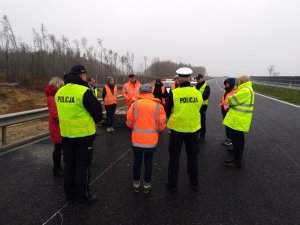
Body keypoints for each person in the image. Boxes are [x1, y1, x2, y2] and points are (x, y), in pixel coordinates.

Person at [55, 65, 103, 207]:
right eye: (84, 74)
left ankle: (70, 195)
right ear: (80, 75)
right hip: (83, 136)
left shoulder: (60, 92)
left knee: (69, 166)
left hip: (66, 135)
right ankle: (84, 197)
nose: (85, 77)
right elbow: (98, 114)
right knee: (83, 167)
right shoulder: (84, 91)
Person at [165, 67, 203, 192]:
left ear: (179, 80)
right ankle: (195, 183)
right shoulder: (197, 93)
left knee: (174, 158)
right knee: (193, 158)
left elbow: (167, 109)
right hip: (193, 130)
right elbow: (200, 108)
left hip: (177, 130)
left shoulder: (174, 93)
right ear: (190, 79)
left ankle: (172, 185)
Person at [126, 84, 167, 193]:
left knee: (137, 162)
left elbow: (129, 122)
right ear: (151, 92)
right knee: (148, 163)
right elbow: (162, 125)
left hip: (137, 140)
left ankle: (136, 184)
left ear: (140, 92)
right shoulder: (158, 105)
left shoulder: (134, 104)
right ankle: (146, 185)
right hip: (151, 141)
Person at [223, 75, 254, 168]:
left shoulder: (245, 90)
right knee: (238, 139)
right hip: (240, 118)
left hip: (239, 118)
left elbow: (231, 100)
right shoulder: (247, 89)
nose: (237, 82)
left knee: (237, 140)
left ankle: (237, 161)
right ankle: (236, 155)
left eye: (238, 80)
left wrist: (230, 98)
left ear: (241, 81)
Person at [45, 77, 65, 177]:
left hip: (60, 125)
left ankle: (60, 166)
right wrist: (67, 117)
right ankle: (57, 168)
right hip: (57, 126)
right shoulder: (53, 97)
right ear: (57, 85)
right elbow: (55, 114)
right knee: (58, 147)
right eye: (62, 85)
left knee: (62, 146)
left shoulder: (55, 96)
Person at [218, 78, 236, 146]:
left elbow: (234, 102)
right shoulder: (225, 90)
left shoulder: (234, 92)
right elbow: (223, 99)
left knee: (230, 126)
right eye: (226, 83)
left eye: (228, 83)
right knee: (226, 125)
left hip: (230, 111)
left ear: (231, 84)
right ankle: (228, 138)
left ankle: (230, 140)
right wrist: (221, 103)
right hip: (224, 110)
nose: (226, 84)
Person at [194, 74, 210, 140]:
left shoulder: (206, 87)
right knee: (195, 120)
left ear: (202, 78)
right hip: (195, 107)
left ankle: (202, 134)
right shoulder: (194, 87)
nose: (197, 80)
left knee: (202, 121)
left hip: (202, 107)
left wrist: (196, 98)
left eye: (198, 79)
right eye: (196, 79)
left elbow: (205, 96)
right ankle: (196, 132)